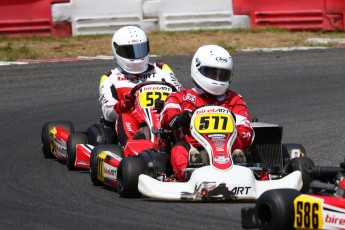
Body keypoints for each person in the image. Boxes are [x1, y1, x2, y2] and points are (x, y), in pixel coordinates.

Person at [160, 45, 254, 181]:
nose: (217, 78)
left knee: (237, 145)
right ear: (198, 68)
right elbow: (166, 118)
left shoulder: (234, 99)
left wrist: (233, 128)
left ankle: (238, 165)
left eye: (222, 74)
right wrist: (181, 118)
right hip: (193, 148)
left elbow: (246, 134)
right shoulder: (180, 97)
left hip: (226, 148)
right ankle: (190, 173)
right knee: (179, 149)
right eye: (212, 73)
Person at [99, 26, 182, 146]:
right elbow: (107, 113)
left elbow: (180, 91)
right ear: (117, 51)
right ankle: (136, 146)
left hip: (165, 118)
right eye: (129, 51)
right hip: (135, 122)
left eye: (140, 49)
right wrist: (122, 106)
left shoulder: (161, 69)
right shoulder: (110, 78)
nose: (136, 56)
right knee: (124, 117)